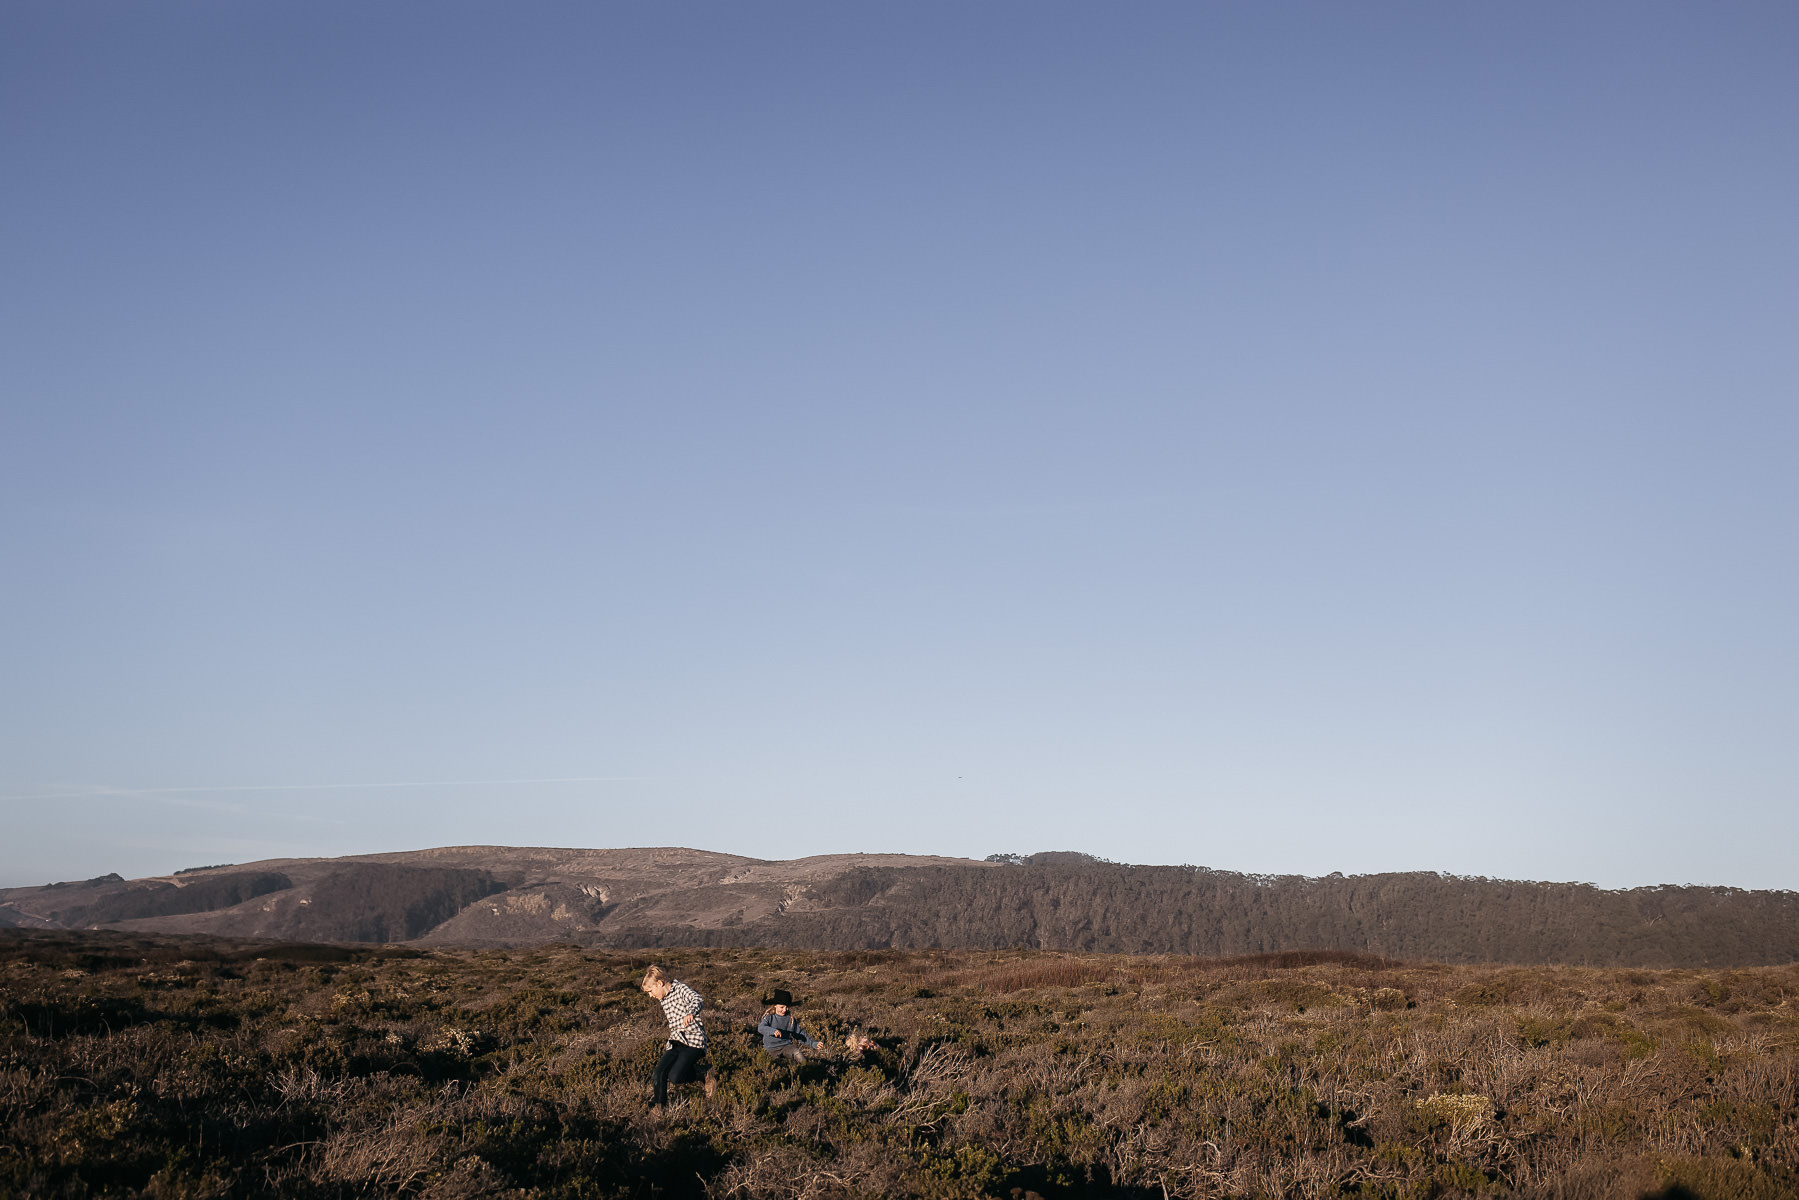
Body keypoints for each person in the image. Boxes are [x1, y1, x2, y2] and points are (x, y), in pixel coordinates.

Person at [640, 965, 715, 1110]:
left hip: (693, 1040)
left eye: (650, 991)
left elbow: (697, 998)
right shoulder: (662, 997)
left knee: (675, 1077)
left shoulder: (680, 989)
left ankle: (703, 1072)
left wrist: (691, 1013)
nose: (650, 995)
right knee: (658, 1072)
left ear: (660, 984)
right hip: (676, 1040)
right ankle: (659, 1106)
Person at [757, 989, 822, 1063]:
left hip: (786, 1046)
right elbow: (761, 1028)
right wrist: (772, 1031)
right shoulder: (769, 1017)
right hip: (770, 1048)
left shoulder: (790, 1019)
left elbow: (799, 1034)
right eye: (782, 1007)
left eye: (787, 1007)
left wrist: (813, 1043)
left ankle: (806, 1070)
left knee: (799, 1055)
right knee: (775, 1065)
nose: (785, 1010)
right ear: (775, 1006)